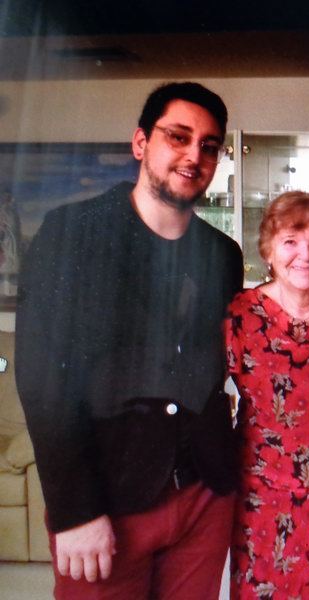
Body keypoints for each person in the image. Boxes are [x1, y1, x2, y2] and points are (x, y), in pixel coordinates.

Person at [15, 82, 243, 599]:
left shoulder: (223, 254)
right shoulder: (70, 235)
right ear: (141, 143)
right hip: (106, 501)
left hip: (203, 496)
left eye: (209, 146)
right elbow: (42, 379)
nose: (194, 155)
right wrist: (75, 510)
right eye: (178, 137)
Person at [225, 191, 309, 600]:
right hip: (261, 501)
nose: (304, 255)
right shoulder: (241, 315)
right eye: (290, 242)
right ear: (268, 251)